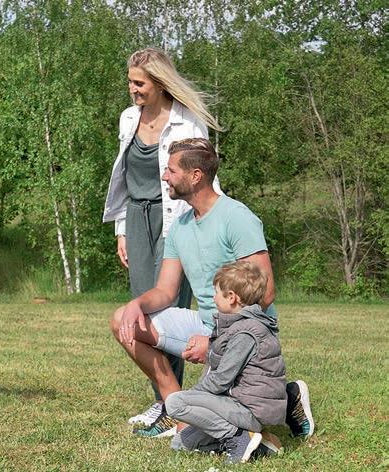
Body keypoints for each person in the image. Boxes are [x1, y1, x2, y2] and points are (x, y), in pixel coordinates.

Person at [110, 138, 314, 439]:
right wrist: (136, 305)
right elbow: (166, 291)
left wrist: (217, 343)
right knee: (122, 320)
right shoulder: (179, 226)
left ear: (195, 176)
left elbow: (266, 292)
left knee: (225, 421)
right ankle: (174, 409)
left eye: (171, 170)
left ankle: (288, 397)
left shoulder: (237, 218)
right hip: (206, 323)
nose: (164, 176)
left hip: (248, 332)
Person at [102, 47, 221, 428]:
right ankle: (167, 400)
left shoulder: (188, 121)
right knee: (140, 313)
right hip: (137, 220)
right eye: (130, 82)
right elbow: (125, 178)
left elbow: (207, 178)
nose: (132, 89)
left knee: (167, 311)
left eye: (139, 83)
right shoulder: (128, 118)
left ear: (160, 83)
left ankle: (174, 405)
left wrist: (208, 228)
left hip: (178, 220)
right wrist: (122, 230)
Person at [165, 261, 286, 464]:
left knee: (175, 403)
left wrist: (192, 396)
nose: (213, 298)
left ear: (231, 297)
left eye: (217, 293)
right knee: (181, 443)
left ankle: (237, 436)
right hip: (236, 406)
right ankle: (258, 445)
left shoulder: (246, 333)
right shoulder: (236, 327)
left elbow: (221, 379)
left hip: (248, 410)